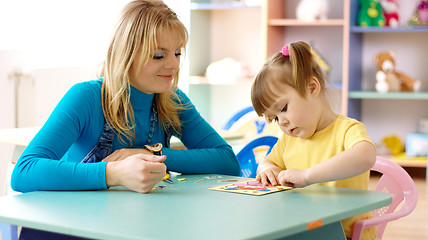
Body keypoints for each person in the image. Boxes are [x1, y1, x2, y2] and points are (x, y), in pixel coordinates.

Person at [11, 0, 240, 239]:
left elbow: (227, 160)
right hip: (67, 230)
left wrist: (149, 156)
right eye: (158, 55)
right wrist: (114, 173)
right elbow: (24, 171)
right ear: (126, 55)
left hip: (133, 228)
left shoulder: (172, 101)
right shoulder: (86, 97)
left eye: (177, 52)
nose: (173, 64)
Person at [251, 41, 377, 240]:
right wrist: (266, 169)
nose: (281, 122)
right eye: (275, 118)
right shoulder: (287, 140)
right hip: (303, 229)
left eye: (283, 108)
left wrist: (308, 176)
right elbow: (267, 162)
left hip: (345, 234)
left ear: (311, 88)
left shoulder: (347, 130)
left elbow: (366, 156)